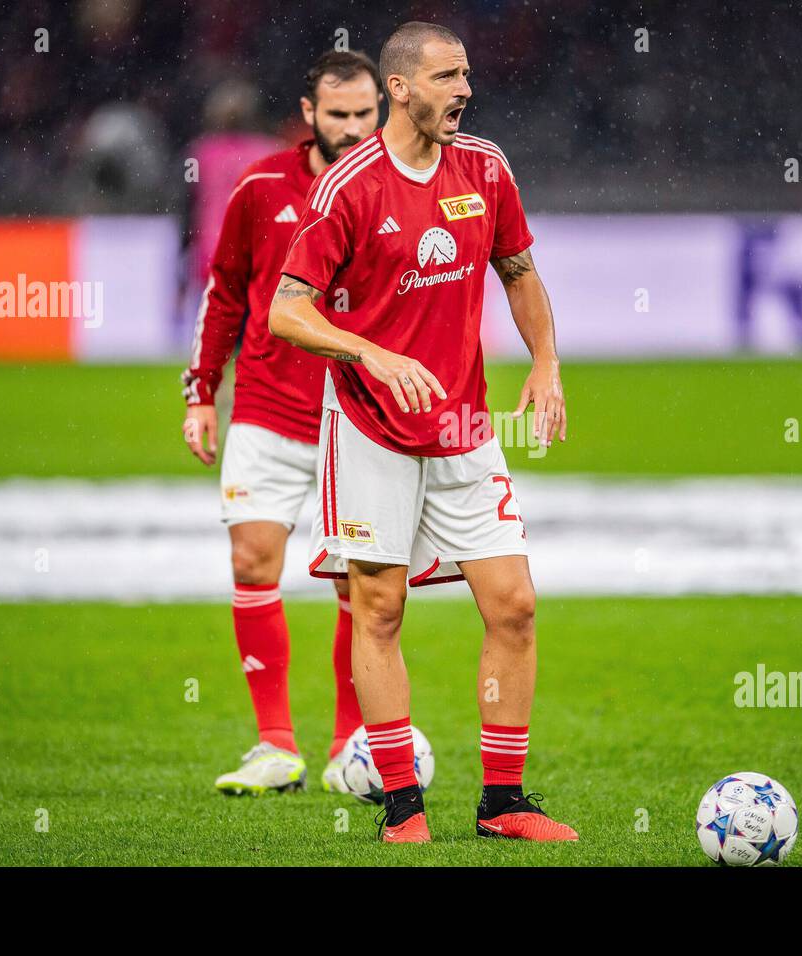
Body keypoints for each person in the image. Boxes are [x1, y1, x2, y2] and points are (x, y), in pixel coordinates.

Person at [269, 21, 575, 843]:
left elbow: (518, 269)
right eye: (447, 76)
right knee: (381, 607)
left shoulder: (486, 167)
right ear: (399, 88)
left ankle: (503, 803)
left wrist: (545, 363)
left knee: (513, 604)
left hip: (466, 424)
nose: (465, 89)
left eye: (467, 73)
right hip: (369, 428)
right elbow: (286, 309)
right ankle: (403, 808)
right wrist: (371, 351)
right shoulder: (350, 187)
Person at [181, 50, 383, 796]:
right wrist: (201, 392)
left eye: (367, 114)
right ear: (308, 115)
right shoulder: (262, 186)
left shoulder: (399, 189)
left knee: (360, 589)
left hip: (358, 416)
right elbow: (226, 290)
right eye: (340, 116)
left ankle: (347, 749)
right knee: (252, 563)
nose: (356, 129)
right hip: (267, 406)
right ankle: (274, 746)